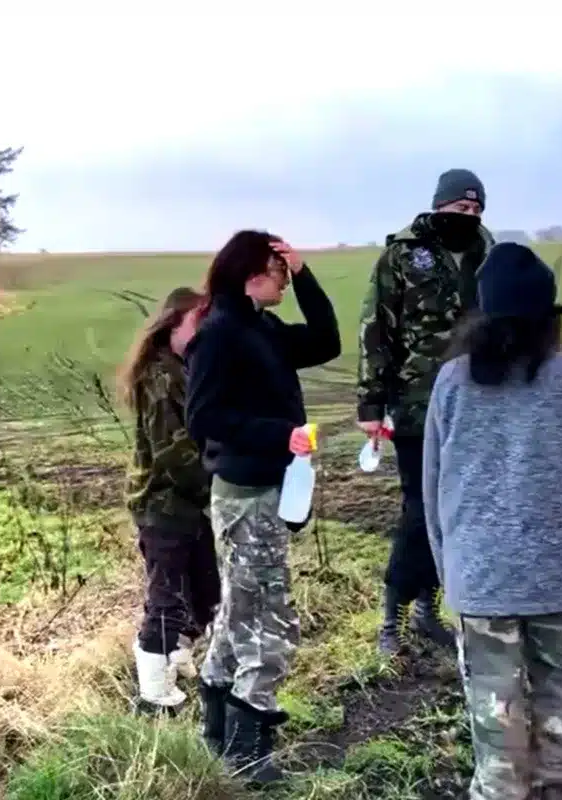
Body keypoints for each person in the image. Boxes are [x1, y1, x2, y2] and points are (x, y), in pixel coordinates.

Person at [421, 242, 562, 800]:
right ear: (547, 318)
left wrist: (452, 571)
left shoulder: (450, 384)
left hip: (481, 580)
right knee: (561, 696)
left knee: (495, 717)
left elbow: (431, 486)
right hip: (559, 580)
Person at [184, 231, 341, 784]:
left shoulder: (260, 327)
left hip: (266, 490)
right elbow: (202, 420)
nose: (281, 278)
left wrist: (304, 274)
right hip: (247, 494)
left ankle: (218, 731)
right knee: (268, 619)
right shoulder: (220, 335)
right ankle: (250, 755)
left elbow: (327, 340)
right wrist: (282, 436)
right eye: (276, 270)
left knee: (239, 611)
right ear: (251, 272)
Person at [355, 167, 496, 656]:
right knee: (421, 507)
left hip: (476, 403)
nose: (470, 216)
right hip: (417, 403)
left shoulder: (487, 251)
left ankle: (428, 609)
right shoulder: (402, 254)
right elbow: (376, 328)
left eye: (476, 209)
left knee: (455, 511)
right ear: (440, 206)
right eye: (461, 207)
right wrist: (371, 401)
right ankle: (392, 617)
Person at [117, 287, 220, 711]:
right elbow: (174, 451)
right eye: (199, 322)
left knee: (204, 587)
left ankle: (177, 655)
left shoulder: (183, 368)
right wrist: (216, 485)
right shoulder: (159, 377)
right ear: (174, 324)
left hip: (187, 501)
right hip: (162, 503)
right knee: (167, 595)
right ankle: (153, 692)